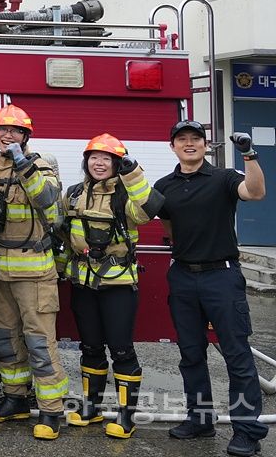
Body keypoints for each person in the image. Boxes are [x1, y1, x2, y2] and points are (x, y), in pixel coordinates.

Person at [156, 121, 268, 457]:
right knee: (191, 355)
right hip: (184, 278)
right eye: (182, 140)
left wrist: (249, 154)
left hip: (222, 277)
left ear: (206, 146)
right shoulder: (165, 186)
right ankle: (201, 419)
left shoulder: (223, 178)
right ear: (173, 147)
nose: (189, 144)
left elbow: (256, 192)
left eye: (195, 139)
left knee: (237, 356)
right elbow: (167, 226)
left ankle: (247, 431)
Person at [0, 103, 67, 440]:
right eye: (1, 130)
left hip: (34, 272)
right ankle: (16, 399)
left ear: (25, 135)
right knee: (5, 340)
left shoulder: (41, 164)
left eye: (15, 130)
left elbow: (47, 198)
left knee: (38, 341)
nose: (7, 135)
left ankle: (51, 410)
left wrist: (23, 166)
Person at [60, 133, 163, 438]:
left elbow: (147, 212)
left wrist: (133, 174)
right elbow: (65, 235)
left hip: (118, 286)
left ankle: (125, 417)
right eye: (94, 157)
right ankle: (91, 409)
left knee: (121, 350)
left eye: (107, 158)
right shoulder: (74, 193)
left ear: (117, 163)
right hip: (83, 284)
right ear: (86, 161)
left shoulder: (126, 196)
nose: (99, 163)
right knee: (90, 348)